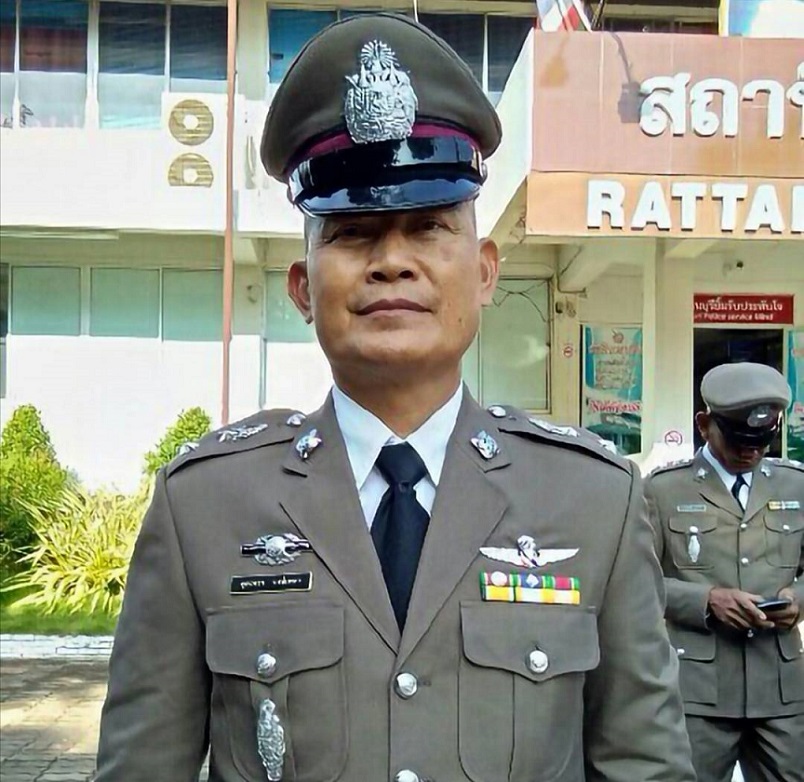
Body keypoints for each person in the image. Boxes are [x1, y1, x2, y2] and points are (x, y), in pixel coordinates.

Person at [95, 14, 695, 782]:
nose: (392, 262)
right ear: (302, 288)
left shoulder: (592, 501)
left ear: (484, 273)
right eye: (353, 232)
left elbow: (646, 765)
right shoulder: (204, 508)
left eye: (428, 227)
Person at [646, 362, 804, 782]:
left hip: (781, 690)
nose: (750, 452)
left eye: (761, 441)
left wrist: (797, 600)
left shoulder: (795, 486)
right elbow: (635, 582)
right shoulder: (663, 490)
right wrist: (705, 601)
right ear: (704, 425)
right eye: (737, 440)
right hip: (699, 693)